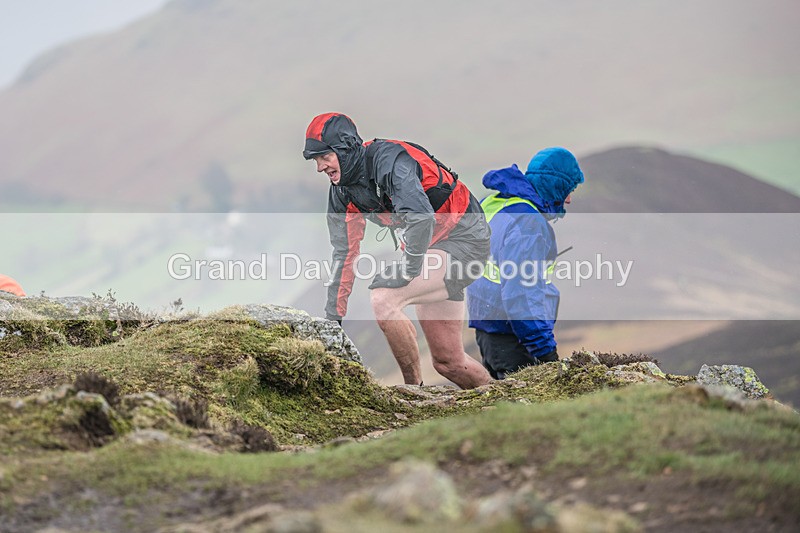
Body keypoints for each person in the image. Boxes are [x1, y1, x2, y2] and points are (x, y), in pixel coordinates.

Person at [303, 112, 492, 388]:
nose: (320, 167)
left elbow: (421, 216)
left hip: (465, 242)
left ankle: (413, 392)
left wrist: (408, 269)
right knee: (448, 362)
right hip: (430, 251)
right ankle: (506, 400)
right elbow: (344, 254)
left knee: (384, 298)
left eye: (324, 157)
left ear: (344, 149)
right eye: (315, 160)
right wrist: (333, 319)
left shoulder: (389, 161)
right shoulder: (342, 191)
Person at [467, 147, 584, 379]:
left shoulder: (495, 203)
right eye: (567, 190)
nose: (568, 199)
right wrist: (546, 353)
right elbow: (521, 294)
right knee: (530, 411)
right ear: (554, 186)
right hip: (515, 338)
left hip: (488, 331)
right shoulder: (528, 225)